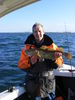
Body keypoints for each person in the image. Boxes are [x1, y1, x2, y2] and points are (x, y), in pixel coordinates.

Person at [18, 23, 63, 100]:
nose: (38, 33)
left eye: (39, 31)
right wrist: (30, 62)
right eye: (35, 31)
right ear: (33, 33)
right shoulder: (27, 49)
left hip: (48, 84)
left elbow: (60, 64)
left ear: (43, 32)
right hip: (32, 85)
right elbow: (21, 65)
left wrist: (54, 59)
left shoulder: (52, 46)